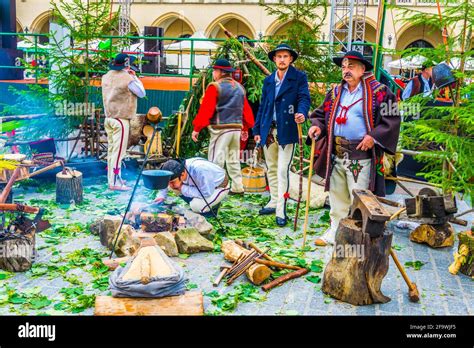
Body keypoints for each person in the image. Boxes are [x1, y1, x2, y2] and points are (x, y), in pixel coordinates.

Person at [307, 50, 401, 246]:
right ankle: (335, 232)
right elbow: (320, 115)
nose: (346, 71)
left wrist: (374, 137)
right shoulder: (334, 93)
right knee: (336, 196)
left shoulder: (380, 92)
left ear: (362, 69)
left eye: (350, 67)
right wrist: (317, 126)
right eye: (343, 67)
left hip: (360, 157)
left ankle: (357, 238)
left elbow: (392, 119)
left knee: (359, 199)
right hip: (336, 153)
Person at [252, 43, 311, 227]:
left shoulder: (298, 78)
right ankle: (273, 200)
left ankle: (281, 208)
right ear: (274, 59)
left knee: (282, 169)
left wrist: (301, 112)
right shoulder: (268, 81)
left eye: (286, 56)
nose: (282, 59)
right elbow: (263, 107)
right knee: (271, 167)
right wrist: (257, 130)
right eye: (279, 56)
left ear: (291, 59)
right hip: (269, 130)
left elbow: (304, 98)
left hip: (288, 131)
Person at [192, 58, 254, 195]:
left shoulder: (214, 87)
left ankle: (214, 190)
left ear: (220, 72)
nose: (213, 73)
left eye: (215, 70)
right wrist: (245, 128)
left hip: (221, 130)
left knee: (215, 161)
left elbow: (206, 110)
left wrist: (196, 128)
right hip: (236, 129)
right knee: (233, 159)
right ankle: (237, 187)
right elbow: (245, 110)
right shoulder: (239, 87)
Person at [102, 53, 146, 191]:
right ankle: (114, 182)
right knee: (118, 153)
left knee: (111, 151)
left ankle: (113, 178)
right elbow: (141, 93)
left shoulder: (106, 76)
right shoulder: (128, 78)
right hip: (121, 119)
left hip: (109, 117)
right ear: (126, 64)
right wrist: (134, 76)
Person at [155, 158, 229, 217]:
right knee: (175, 187)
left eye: (172, 182)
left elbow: (206, 193)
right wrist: (161, 196)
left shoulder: (200, 170)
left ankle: (210, 210)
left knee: (196, 206)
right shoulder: (179, 168)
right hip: (198, 185)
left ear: (183, 174)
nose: (170, 185)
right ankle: (195, 201)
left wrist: (182, 188)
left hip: (217, 187)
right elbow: (166, 182)